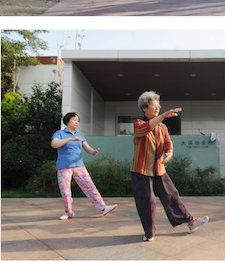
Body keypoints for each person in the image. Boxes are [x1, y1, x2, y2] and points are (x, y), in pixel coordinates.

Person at [130, 91, 209, 241]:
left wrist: (170, 153)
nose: (157, 108)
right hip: (140, 170)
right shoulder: (138, 124)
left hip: (159, 169)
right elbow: (147, 127)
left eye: (158, 106)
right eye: (154, 106)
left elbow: (168, 143)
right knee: (147, 201)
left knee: (172, 196)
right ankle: (149, 233)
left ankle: (190, 222)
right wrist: (164, 116)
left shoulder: (163, 127)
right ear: (144, 108)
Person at [51, 112, 118, 220]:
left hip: (79, 166)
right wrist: (70, 139)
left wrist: (93, 152)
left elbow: (87, 148)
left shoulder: (80, 135)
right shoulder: (59, 133)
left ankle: (103, 208)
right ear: (67, 121)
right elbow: (54, 144)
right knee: (65, 191)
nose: (77, 122)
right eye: (74, 120)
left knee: (90, 187)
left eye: (78, 120)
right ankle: (69, 213)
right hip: (64, 166)